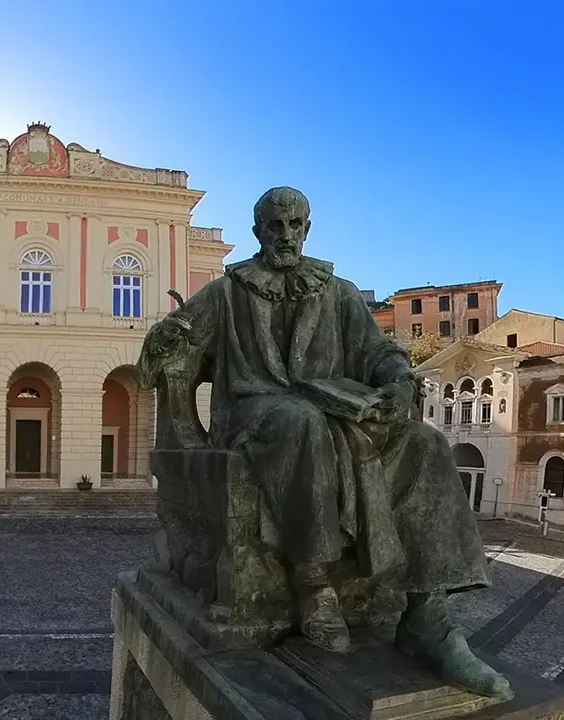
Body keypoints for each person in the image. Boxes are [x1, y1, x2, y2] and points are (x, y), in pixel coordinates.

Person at [139, 187, 511, 700]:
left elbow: (377, 351)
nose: (286, 235)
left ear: (308, 229)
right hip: (252, 412)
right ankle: (314, 584)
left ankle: (429, 619)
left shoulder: (337, 291)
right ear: (258, 232)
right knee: (302, 421)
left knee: (424, 441)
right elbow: (172, 338)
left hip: (336, 410)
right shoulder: (228, 291)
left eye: (295, 225)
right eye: (275, 226)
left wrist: (399, 380)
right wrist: (165, 337)